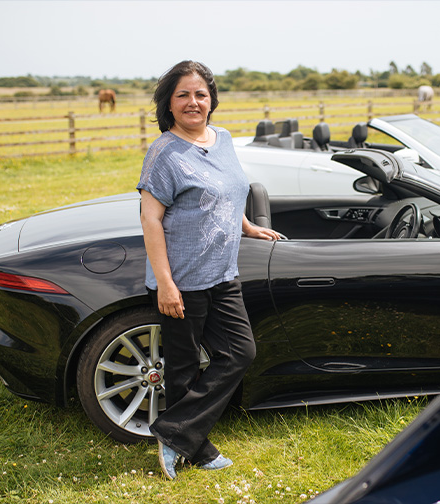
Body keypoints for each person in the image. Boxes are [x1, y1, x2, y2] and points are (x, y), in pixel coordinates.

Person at [137, 60, 280, 480]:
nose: (193, 102)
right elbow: (150, 219)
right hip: (180, 279)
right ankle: (192, 449)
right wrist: (165, 284)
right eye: (182, 95)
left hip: (222, 273)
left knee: (240, 353)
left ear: (211, 100)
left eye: (200, 94)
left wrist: (248, 226)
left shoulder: (224, 140)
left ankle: (173, 431)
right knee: (183, 369)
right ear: (170, 103)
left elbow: (227, 192)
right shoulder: (164, 153)